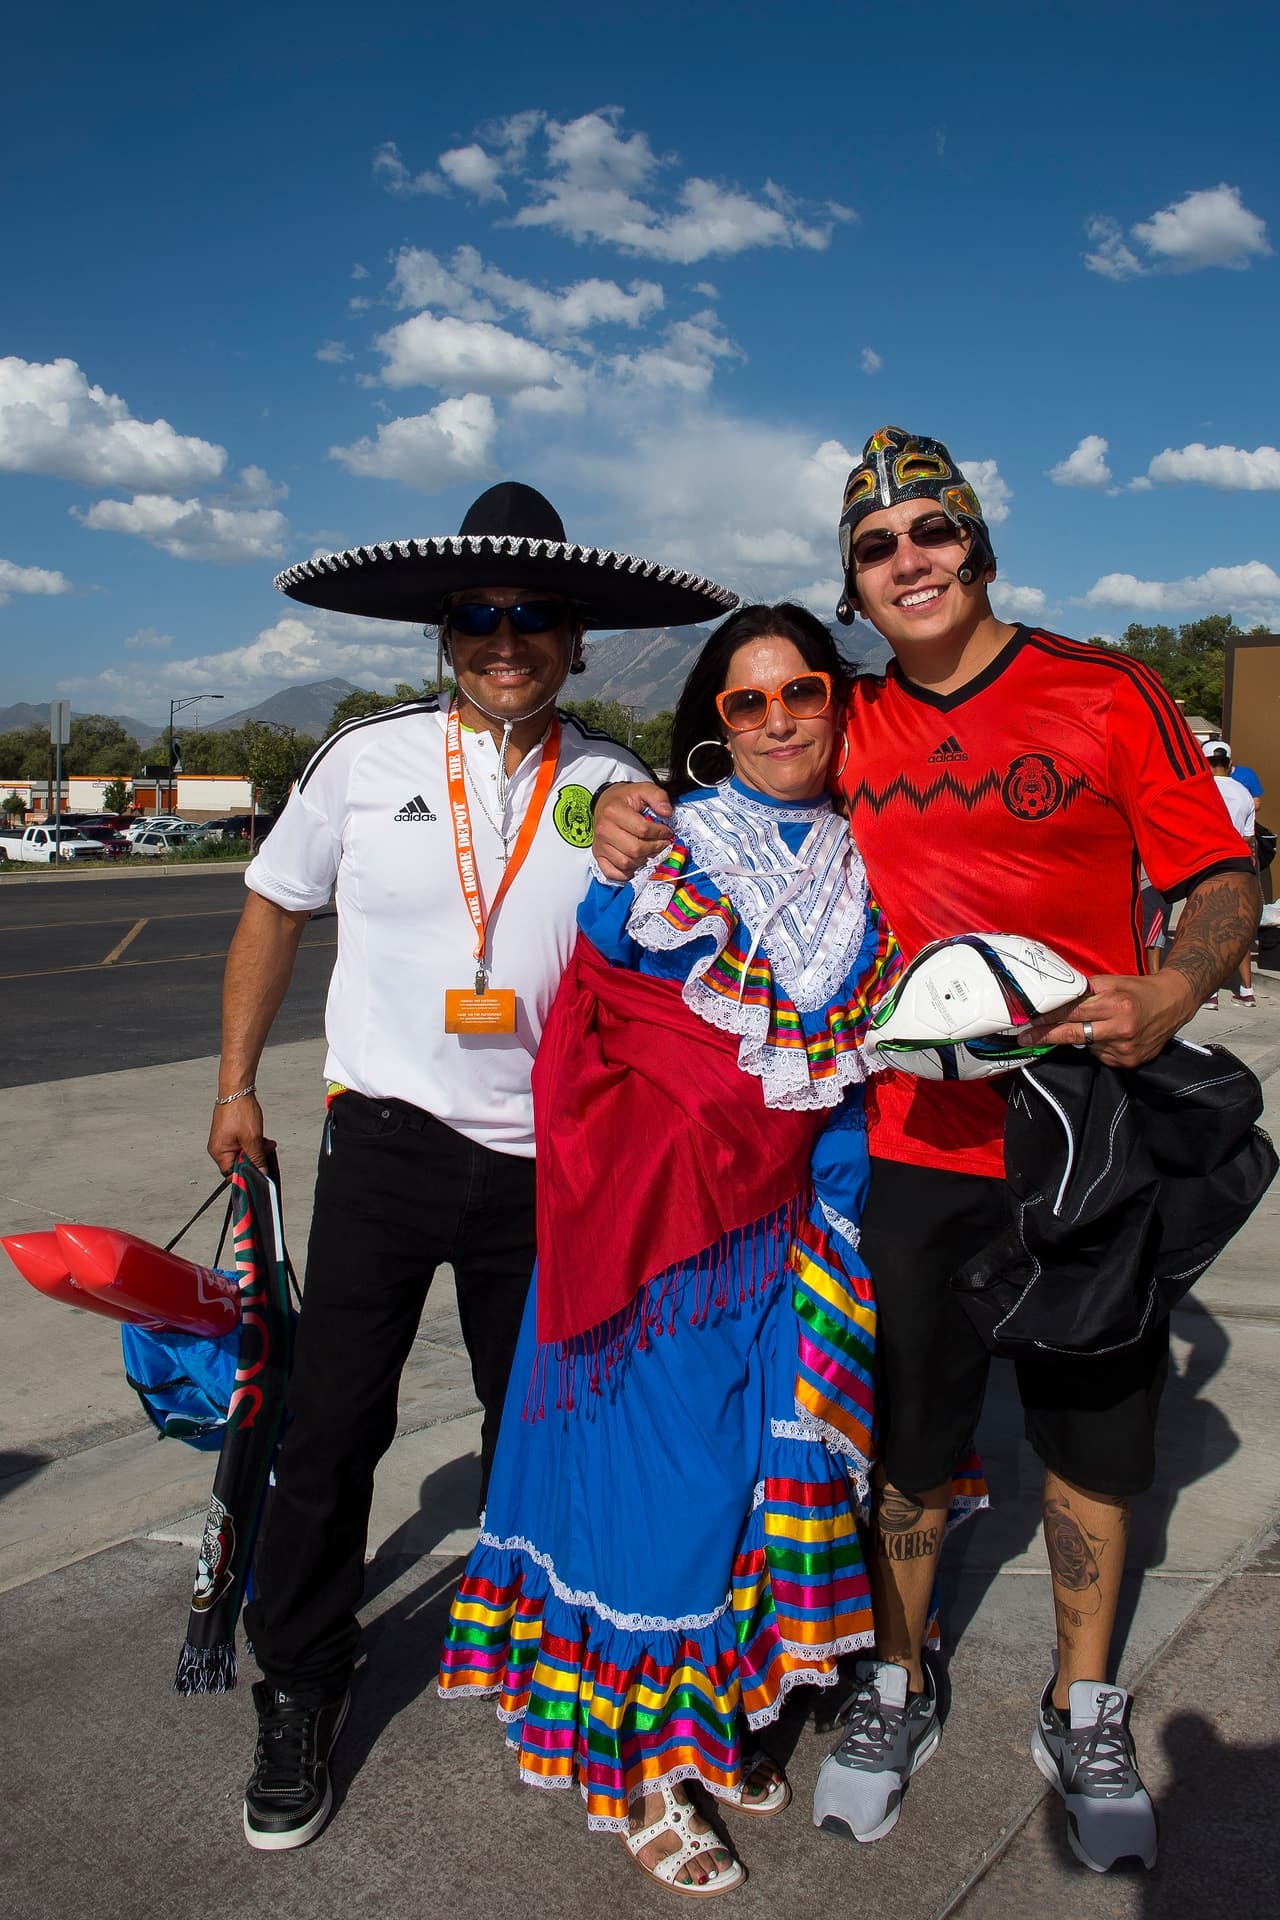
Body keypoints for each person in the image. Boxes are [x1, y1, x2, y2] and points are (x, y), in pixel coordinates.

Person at [591, 427, 1260, 1875]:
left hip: (1084, 1138)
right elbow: (738, 795)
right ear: (854, 583)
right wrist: (622, 805)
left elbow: (1219, 869)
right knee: (908, 1446)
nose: (910, 562)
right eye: (878, 548)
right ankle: (896, 1679)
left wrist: (1178, 983)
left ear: (978, 543)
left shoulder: (1105, 691)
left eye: (931, 533)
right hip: (909, 1149)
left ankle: (1083, 1703)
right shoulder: (854, 722)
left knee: (1095, 1443)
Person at [207, 481, 736, 1852]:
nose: (508, 639)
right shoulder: (362, 761)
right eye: (482, 618)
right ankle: (304, 1682)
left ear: (572, 637)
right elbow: (273, 908)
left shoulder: (619, 783)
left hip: (549, 1163)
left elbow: (679, 967)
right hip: (382, 1138)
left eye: (536, 618)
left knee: (540, 1430)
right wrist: (233, 1086)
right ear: (448, 633)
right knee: (331, 1430)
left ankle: (537, 1666)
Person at [438, 604, 969, 1897]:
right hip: (668, 1240)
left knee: (747, 1495)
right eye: (747, 702)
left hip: (790, 1237)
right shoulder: (674, 842)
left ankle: (699, 1720)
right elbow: (607, 984)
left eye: (801, 694)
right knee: (667, 1510)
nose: (779, 719)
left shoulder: (865, 865)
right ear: (712, 724)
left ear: (837, 705)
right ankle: (636, 1777)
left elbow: (850, 1070)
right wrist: (614, 871)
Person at [1202, 740, 1258, 1006]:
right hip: (1237, 864)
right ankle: (1247, 990)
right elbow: (1248, 837)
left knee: (1206, 927)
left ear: (1203, 762)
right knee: (1239, 928)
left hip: (1206, 865)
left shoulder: (1200, 790)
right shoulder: (1244, 793)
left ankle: (1210, 992)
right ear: (1230, 763)